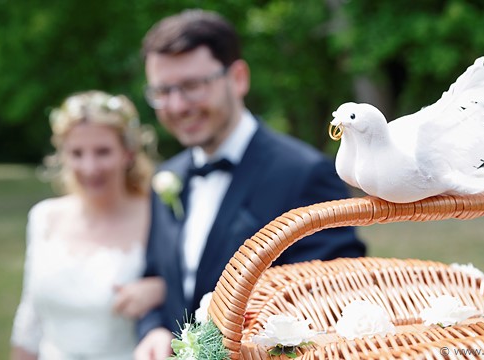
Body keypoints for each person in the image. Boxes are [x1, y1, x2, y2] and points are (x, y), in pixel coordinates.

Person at [135, 9, 366, 359]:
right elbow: (159, 277)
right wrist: (153, 328)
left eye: (192, 86)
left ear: (238, 78)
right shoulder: (168, 177)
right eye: (163, 91)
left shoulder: (305, 173)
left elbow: (336, 296)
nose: (177, 105)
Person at [10, 91, 166, 360]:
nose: (90, 167)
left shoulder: (158, 216)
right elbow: (29, 321)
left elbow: (192, 293)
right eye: (77, 153)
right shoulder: (44, 218)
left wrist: (163, 289)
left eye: (103, 152)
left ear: (127, 153)